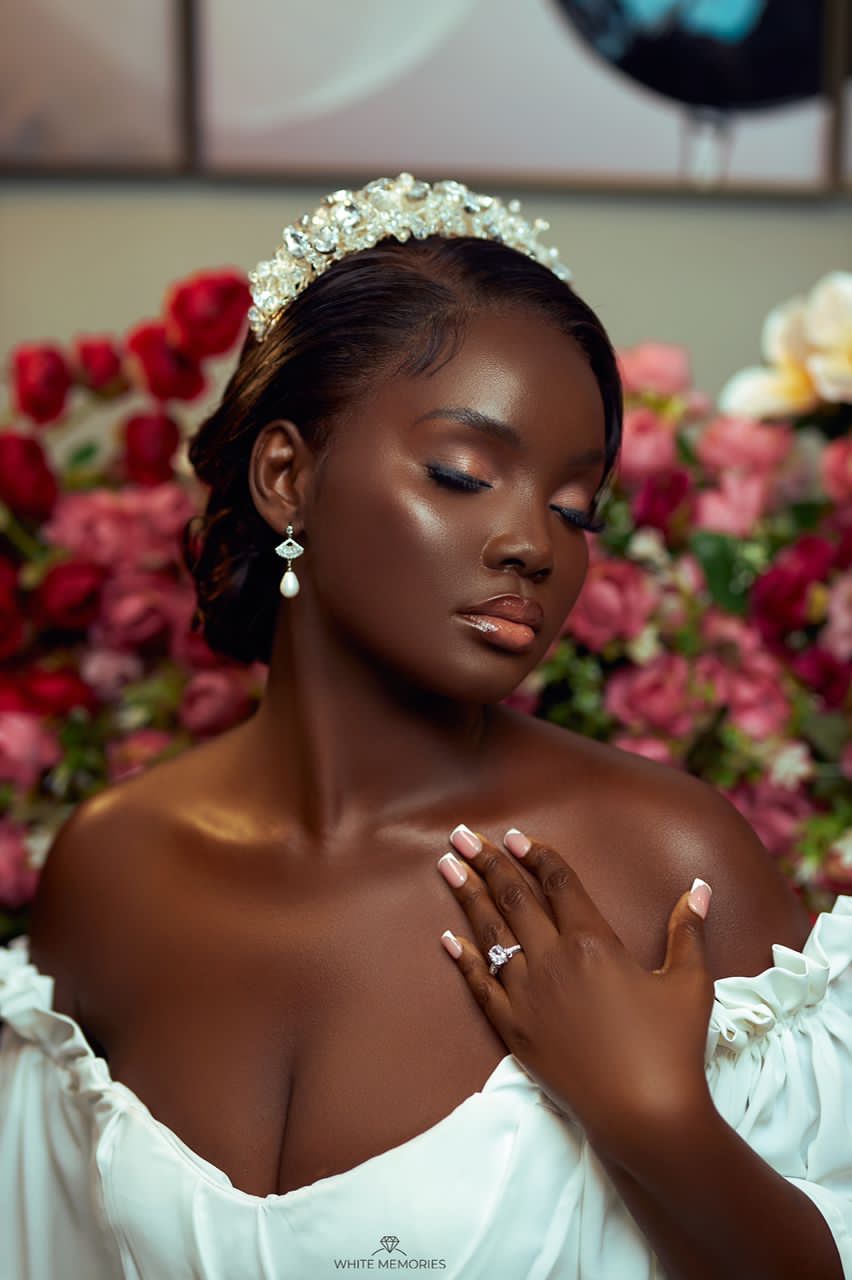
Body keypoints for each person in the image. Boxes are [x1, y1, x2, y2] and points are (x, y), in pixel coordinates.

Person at [1, 174, 850, 1280]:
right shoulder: (113, 866)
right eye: (463, 472)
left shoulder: (663, 866)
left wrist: (656, 1120)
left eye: (574, 507)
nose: (531, 545)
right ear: (286, 474)